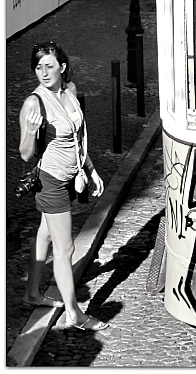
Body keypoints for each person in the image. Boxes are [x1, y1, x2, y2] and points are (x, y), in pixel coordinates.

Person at [19, 41, 108, 331]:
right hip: (51, 181)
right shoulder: (35, 102)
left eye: (49, 66)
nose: (44, 72)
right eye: (38, 67)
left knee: (46, 234)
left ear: (62, 67)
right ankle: (74, 313)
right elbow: (25, 154)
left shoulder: (70, 90)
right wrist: (31, 132)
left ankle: (32, 294)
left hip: (71, 176)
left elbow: (78, 138)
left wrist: (91, 169)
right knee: (65, 247)